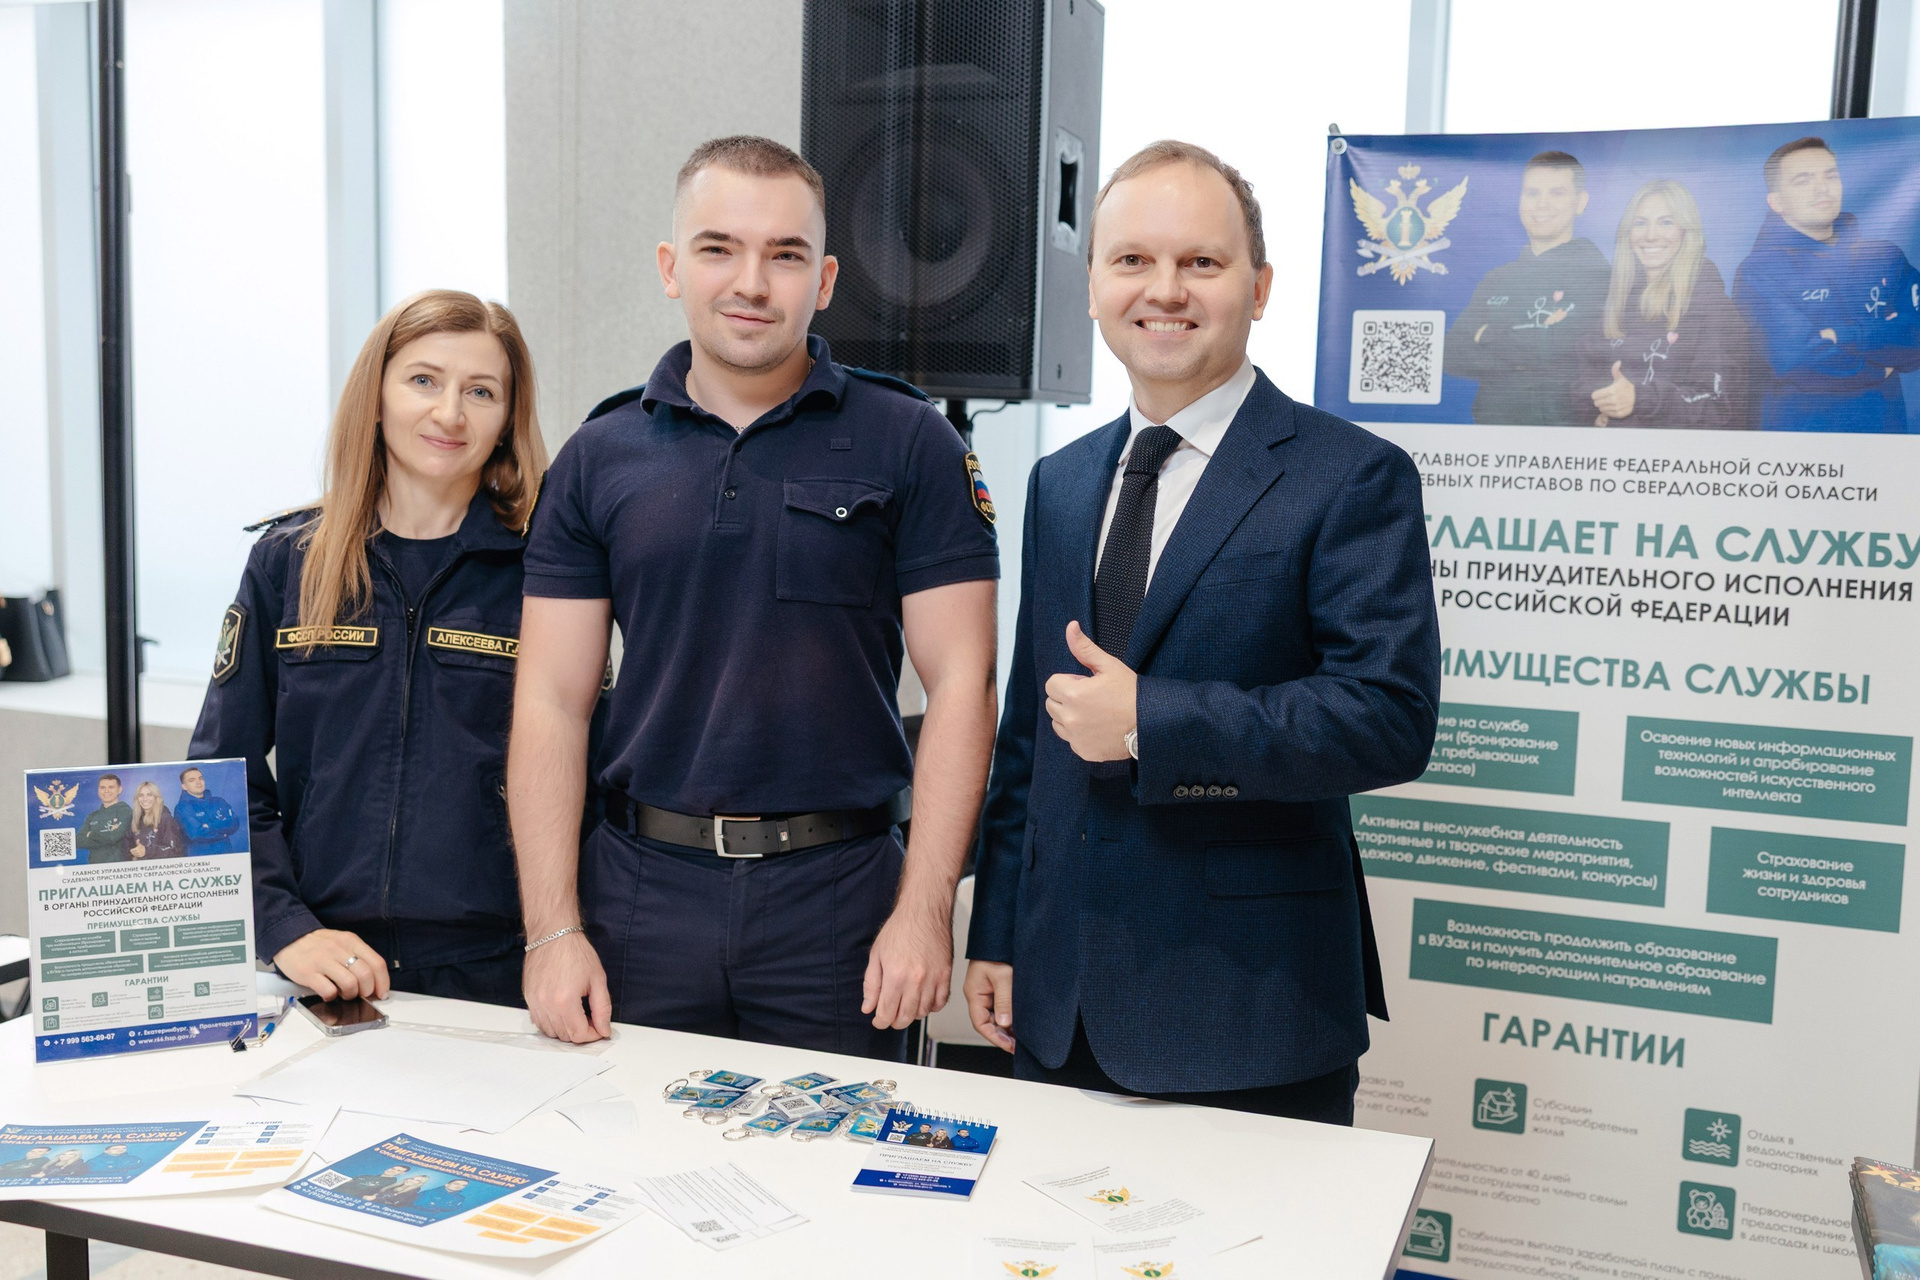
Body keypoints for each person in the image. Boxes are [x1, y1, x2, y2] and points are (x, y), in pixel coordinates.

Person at [965, 141, 1440, 1123]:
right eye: (1132, 260)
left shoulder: (1351, 475)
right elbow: (1030, 736)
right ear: (1092, 287)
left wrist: (1153, 720)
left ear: (1259, 288)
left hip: (1249, 1012)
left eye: (1202, 262)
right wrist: (999, 933)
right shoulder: (1060, 482)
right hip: (1059, 1005)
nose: (1165, 289)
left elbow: (1388, 718)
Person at [510, 136, 999, 1054]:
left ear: (825, 280)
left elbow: (963, 684)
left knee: (845, 1149)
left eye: (785, 255)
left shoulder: (912, 443)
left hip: (842, 902)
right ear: (671, 268)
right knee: (621, 1144)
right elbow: (550, 702)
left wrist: (924, 910)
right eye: (718, 249)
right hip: (640, 898)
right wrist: (552, 930)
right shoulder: (597, 456)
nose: (751, 282)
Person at [190, 290, 549, 1007]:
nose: (450, 413)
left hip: (498, 969)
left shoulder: (544, 570)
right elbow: (220, 773)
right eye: (424, 380)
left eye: (481, 391)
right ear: (377, 399)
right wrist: (283, 927)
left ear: (508, 420)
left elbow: (591, 778)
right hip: (321, 964)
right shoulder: (288, 561)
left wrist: (561, 938)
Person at [1733, 136, 1920, 433]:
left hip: (1886, 440)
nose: (1822, 188)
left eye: (1830, 176)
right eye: (1803, 180)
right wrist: (1879, 366)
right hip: (1801, 446)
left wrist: (1844, 335)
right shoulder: (1758, 272)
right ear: (1776, 202)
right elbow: (1797, 360)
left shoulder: (1886, 257)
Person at [1446, 151, 1611, 425]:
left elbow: (1555, 347)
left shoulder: (1599, 275)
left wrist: (1486, 336)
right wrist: (1532, 345)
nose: (1542, 204)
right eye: (1532, 193)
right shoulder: (1497, 279)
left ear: (1580, 202)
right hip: (1491, 439)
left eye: (1557, 193)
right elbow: (1452, 352)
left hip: (1568, 436)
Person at [1577, 179, 1748, 430]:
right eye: (1640, 223)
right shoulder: (1615, 303)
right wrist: (1598, 410)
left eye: (1666, 222)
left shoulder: (1714, 308)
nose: (1650, 235)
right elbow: (1580, 380)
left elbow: (1720, 406)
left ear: (1686, 231)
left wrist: (1640, 400)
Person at [174, 766, 241, 855]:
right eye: (192, 780)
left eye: (200, 778)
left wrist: (209, 825)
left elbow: (234, 823)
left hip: (226, 854)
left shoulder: (219, 801)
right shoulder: (182, 808)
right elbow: (196, 833)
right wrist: (222, 834)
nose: (198, 782)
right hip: (201, 859)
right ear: (184, 786)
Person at [76, 774, 133, 864]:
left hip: (119, 867)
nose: (106, 791)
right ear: (98, 790)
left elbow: (113, 838)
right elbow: (78, 841)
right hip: (95, 867)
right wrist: (107, 840)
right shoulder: (92, 816)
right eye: (102, 787)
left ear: (119, 790)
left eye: (111, 787)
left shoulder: (125, 811)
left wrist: (91, 834)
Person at [125, 781, 189, 860]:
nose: (145, 799)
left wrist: (147, 851)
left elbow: (175, 850)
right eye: (141, 795)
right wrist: (133, 856)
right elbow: (127, 847)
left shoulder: (166, 819)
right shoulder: (135, 820)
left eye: (149, 795)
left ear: (156, 797)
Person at [337, 1164, 411, 1200]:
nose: (392, 1170)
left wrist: (374, 1196)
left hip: (348, 1197)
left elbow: (384, 1194)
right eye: (393, 1168)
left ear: (402, 1173)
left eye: (398, 1170)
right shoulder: (366, 1176)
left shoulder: (391, 1183)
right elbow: (347, 1181)